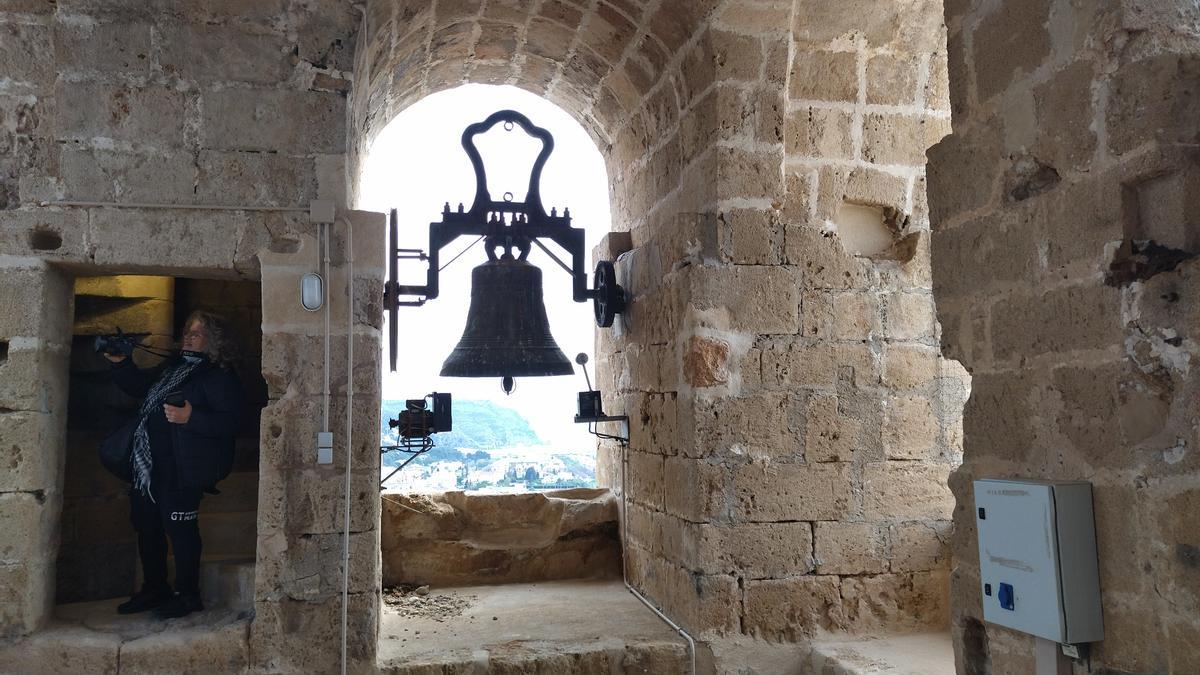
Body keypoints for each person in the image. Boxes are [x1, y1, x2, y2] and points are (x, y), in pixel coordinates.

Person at [104, 310, 243, 619]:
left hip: (184, 468)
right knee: (146, 525)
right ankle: (156, 588)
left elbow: (234, 422)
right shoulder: (174, 367)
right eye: (187, 333)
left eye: (196, 334)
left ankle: (187, 594)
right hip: (150, 467)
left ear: (214, 342)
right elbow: (142, 388)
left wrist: (191, 418)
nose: (187, 338)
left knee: (180, 530)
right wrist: (121, 364)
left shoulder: (218, 376)